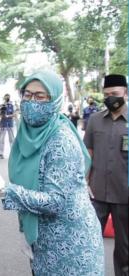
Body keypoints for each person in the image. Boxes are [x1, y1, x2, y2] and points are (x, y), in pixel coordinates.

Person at [0, 70, 104, 275]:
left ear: (55, 100)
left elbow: (55, 201)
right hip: (43, 243)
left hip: (72, 245)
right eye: (27, 95)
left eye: (40, 96)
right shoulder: (26, 135)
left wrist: (4, 190)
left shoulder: (60, 139)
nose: (31, 102)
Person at [84, 74, 128, 276]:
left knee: (125, 250)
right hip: (96, 194)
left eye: (115, 94)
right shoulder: (94, 120)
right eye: (107, 94)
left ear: (125, 93)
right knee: (88, 244)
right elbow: (87, 154)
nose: (111, 98)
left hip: (125, 195)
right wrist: (84, 182)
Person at [0, 94, 15, 159]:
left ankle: (13, 152)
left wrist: (8, 116)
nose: (7, 98)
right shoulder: (1, 106)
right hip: (3, 124)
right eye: (6, 97)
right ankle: (1, 153)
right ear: (4, 98)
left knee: (12, 139)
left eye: (8, 97)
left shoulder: (11, 106)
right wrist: (0, 116)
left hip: (10, 124)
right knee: (1, 139)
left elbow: (14, 114)